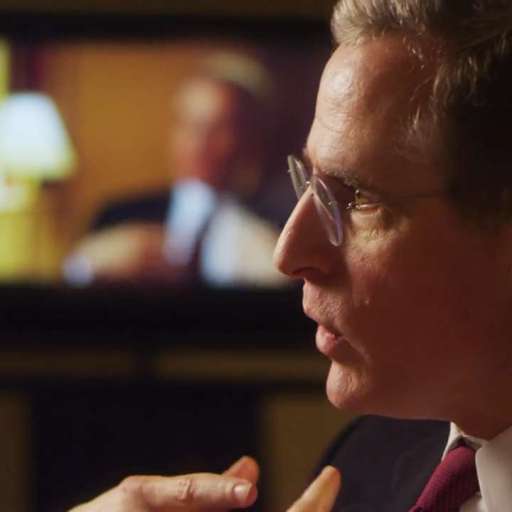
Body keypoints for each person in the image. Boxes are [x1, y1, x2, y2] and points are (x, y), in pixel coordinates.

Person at [70, 0, 512, 510]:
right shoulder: (361, 462)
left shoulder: (253, 233)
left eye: (359, 197)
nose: (289, 254)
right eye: (310, 181)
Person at [64, 52, 285, 287]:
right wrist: (87, 265)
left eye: (219, 126)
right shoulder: (117, 214)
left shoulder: (275, 231)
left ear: (250, 138)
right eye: (189, 124)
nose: (199, 142)